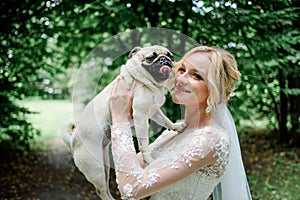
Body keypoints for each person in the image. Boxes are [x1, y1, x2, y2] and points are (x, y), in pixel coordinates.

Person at [109, 45, 252, 200]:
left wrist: (119, 120)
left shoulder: (211, 140)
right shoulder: (172, 132)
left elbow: (131, 189)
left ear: (215, 88)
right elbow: (130, 170)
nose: (181, 79)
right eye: (182, 69)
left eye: (196, 76)